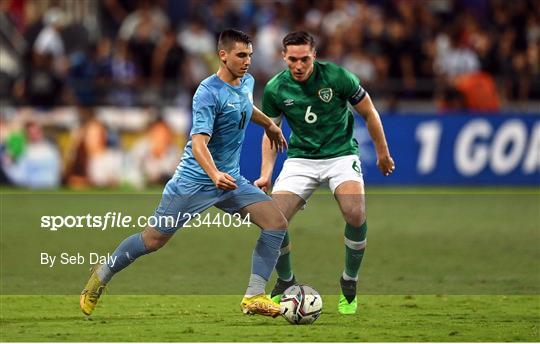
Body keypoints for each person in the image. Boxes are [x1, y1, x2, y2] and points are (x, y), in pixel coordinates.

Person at [80, 29, 289, 318]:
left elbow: (243, 106)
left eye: (250, 55)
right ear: (223, 55)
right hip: (195, 182)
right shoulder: (207, 92)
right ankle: (102, 274)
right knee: (153, 240)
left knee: (276, 222)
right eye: (241, 55)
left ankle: (254, 296)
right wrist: (214, 174)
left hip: (229, 180)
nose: (247, 61)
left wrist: (268, 124)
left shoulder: (246, 82)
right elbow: (199, 142)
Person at [254, 31, 395, 315]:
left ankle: (349, 281)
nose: (298, 65)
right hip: (301, 159)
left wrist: (383, 153)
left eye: (304, 59)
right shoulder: (275, 89)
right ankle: (285, 280)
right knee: (272, 219)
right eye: (292, 59)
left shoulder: (337, 77)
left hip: (340, 154)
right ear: (283, 57)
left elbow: (369, 112)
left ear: (314, 56)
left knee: (355, 214)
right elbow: (271, 133)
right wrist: (266, 173)